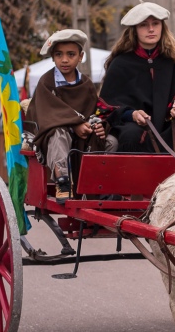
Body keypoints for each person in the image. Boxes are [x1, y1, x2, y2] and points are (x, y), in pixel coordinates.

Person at [100, 1, 175, 155]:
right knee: (131, 135)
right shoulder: (120, 64)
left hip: (170, 122)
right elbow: (106, 107)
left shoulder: (174, 60)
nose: (151, 29)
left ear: (162, 27)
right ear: (135, 30)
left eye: (155, 23)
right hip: (134, 125)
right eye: (144, 25)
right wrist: (132, 114)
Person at [29, 29, 117, 203]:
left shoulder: (87, 85)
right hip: (54, 135)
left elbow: (94, 112)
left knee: (111, 142)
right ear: (53, 57)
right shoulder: (46, 83)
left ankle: (99, 187)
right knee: (57, 135)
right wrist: (75, 124)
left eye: (71, 54)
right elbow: (47, 111)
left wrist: (98, 126)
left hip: (83, 139)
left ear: (81, 56)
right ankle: (62, 181)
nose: (64, 60)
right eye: (59, 54)